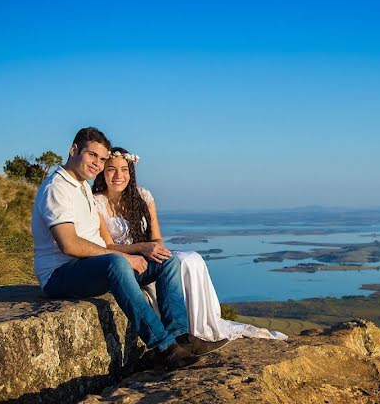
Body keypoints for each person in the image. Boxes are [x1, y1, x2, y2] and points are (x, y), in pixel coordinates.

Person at [31, 127, 201, 369]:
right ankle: (163, 347)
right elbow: (69, 244)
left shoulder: (81, 186)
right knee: (117, 262)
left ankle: (180, 337)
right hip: (60, 275)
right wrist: (123, 257)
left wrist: (131, 253)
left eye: (101, 159)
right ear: (73, 150)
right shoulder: (57, 188)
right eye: (92, 156)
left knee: (168, 261)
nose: (97, 164)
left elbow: (100, 242)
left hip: (91, 267)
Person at [92, 147, 286, 344]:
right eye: (111, 169)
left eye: (124, 169)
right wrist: (140, 248)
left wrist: (154, 249)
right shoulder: (97, 203)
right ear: (102, 172)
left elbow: (157, 237)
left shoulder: (143, 197)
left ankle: (189, 331)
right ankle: (184, 333)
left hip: (149, 255)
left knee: (192, 258)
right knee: (180, 262)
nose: (119, 175)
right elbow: (108, 245)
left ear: (131, 172)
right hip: (125, 262)